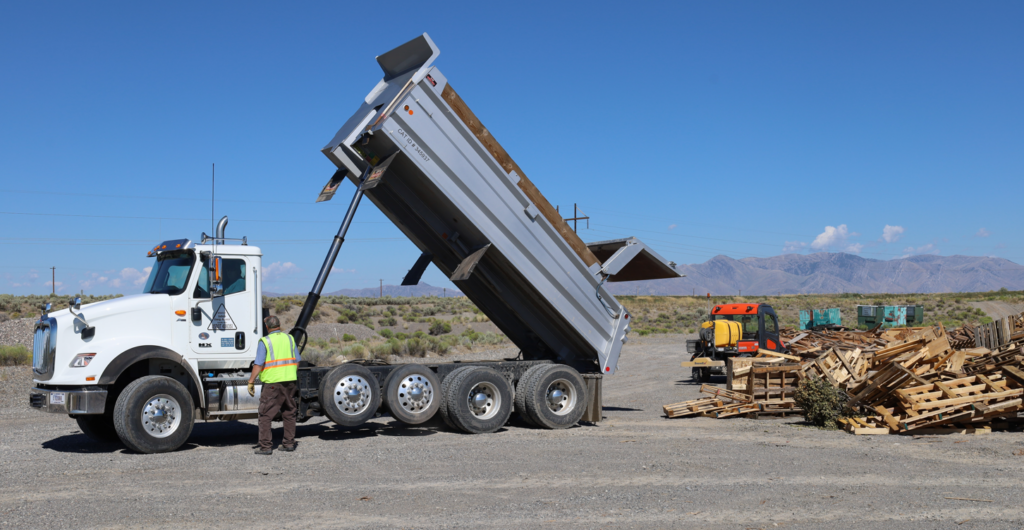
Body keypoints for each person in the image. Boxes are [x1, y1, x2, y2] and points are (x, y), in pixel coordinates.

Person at [247, 315, 301, 455]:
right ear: (279, 325)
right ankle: (289, 444)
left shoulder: (265, 341)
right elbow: (297, 360)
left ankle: (265, 447)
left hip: (272, 383)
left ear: (267, 327)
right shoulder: (290, 338)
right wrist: (289, 374)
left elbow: (258, 364)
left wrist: (251, 381)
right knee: (289, 412)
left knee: (265, 414)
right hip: (290, 381)